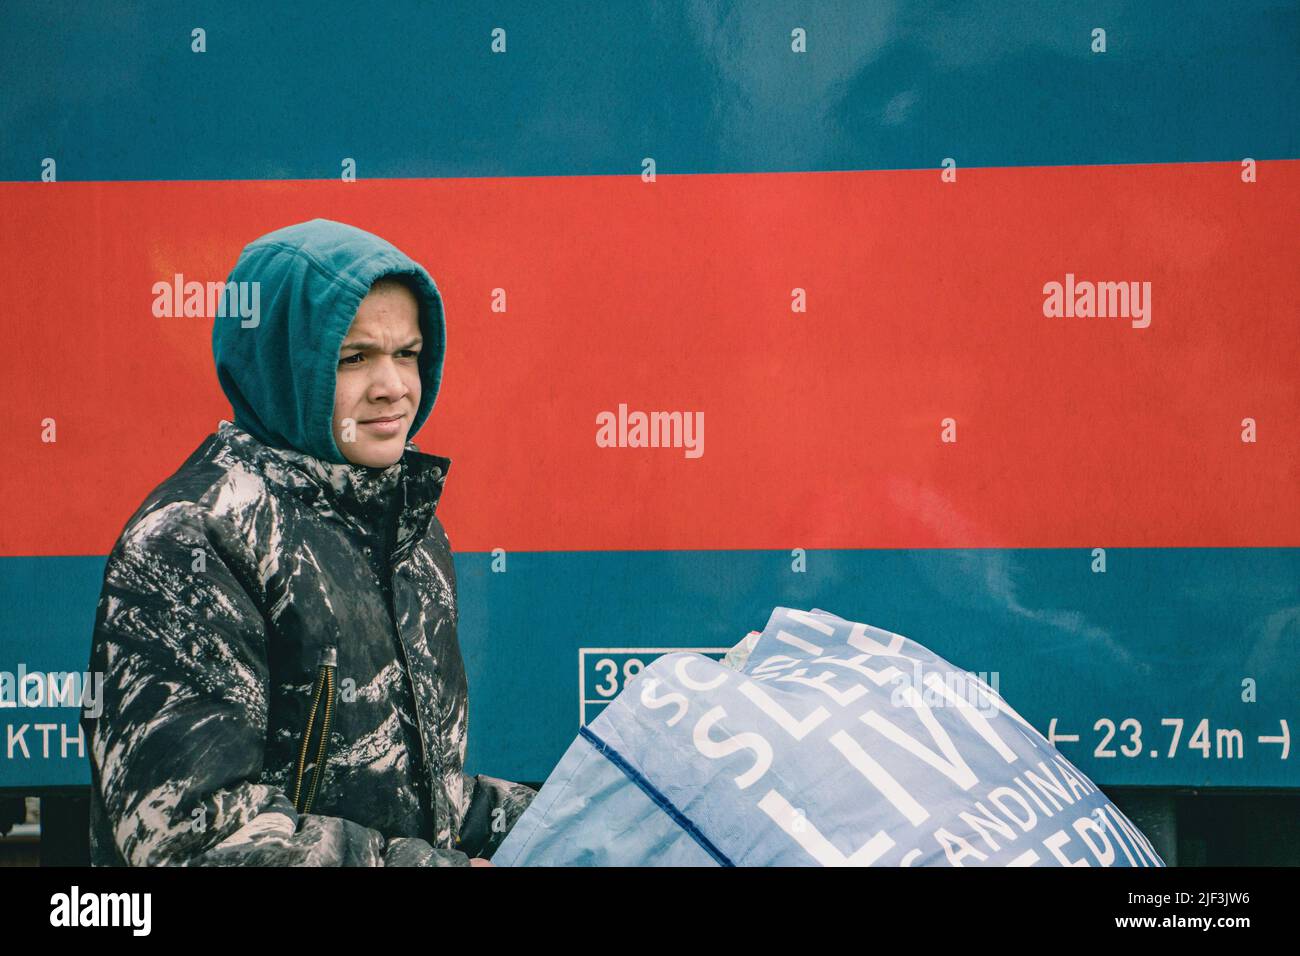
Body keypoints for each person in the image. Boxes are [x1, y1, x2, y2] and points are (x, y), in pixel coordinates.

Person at [81, 218, 536, 866]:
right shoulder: (191, 541)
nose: (394, 386)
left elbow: (418, 792)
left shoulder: (410, 532)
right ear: (279, 360)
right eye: (354, 357)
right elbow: (195, 839)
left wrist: (578, 818)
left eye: (406, 353)